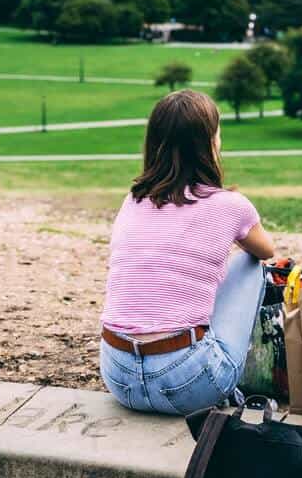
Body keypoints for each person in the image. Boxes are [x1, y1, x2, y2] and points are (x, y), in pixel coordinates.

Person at [100, 90, 274, 415]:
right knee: (251, 263)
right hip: (188, 383)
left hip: (118, 376)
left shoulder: (133, 200)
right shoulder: (229, 205)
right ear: (210, 142)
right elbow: (266, 250)